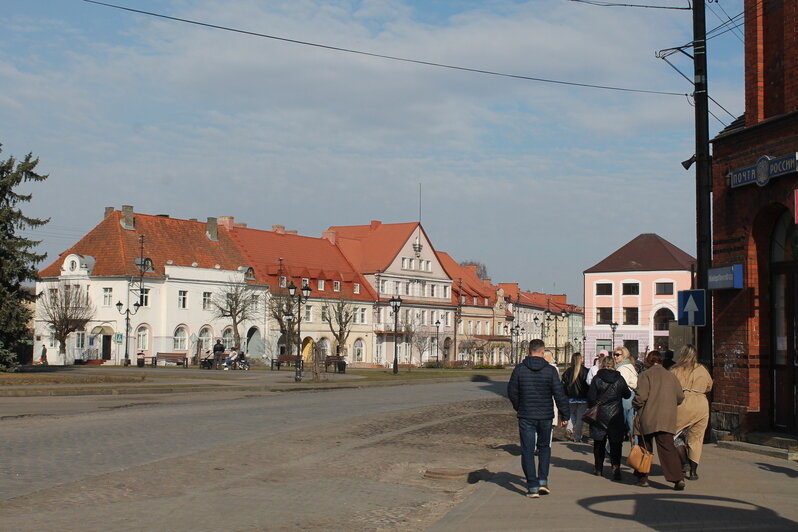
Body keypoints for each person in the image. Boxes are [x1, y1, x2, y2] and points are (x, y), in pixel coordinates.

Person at [507, 339, 570, 499]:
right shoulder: (550, 371)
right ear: (542, 352)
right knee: (544, 448)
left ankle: (532, 486)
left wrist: (519, 406)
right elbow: (559, 393)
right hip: (545, 415)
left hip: (526, 415)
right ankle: (543, 480)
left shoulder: (519, 370)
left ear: (529, 351)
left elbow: (512, 391)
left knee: (527, 450)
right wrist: (565, 414)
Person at [632, 350, 686, 490]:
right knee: (668, 447)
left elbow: (641, 397)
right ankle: (677, 478)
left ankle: (643, 478)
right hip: (667, 417)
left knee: (645, 447)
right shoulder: (671, 376)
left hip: (648, 416)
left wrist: (635, 405)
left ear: (648, 361)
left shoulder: (645, 375)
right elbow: (680, 396)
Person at [671, 344, 713, 480]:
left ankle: (684, 462)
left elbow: (670, 388)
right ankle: (694, 472)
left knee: (675, 435)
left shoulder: (675, 370)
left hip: (683, 403)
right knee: (696, 439)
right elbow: (709, 386)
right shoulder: (702, 370)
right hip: (701, 403)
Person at [587, 355, 631, 480]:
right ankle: (616, 468)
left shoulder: (597, 378)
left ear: (602, 364)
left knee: (599, 443)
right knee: (616, 443)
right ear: (614, 365)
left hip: (600, 415)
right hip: (615, 415)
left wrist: (595, 405)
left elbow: (590, 398)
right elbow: (627, 395)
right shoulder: (619, 379)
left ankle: (598, 468)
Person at [561, 352, 589, 443]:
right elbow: (588, 385)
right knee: (580, 418)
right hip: (583, 398)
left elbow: (563, 385)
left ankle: (569, 429)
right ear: (581, 359)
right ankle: (577, 437)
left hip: (571, 397)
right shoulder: (586, 371)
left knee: (571, 415)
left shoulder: (568, 371)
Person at [613, 347, 639, 442]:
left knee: (620, 423)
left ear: (624, 355)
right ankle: (636, 445)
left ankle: (611, 447)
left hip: (625, 397)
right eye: (614, 354)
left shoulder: (622, 368)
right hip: (631, 395)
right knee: (631, 423)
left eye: (617, 355)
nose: (615, 357)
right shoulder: (629, 366)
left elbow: (621, 384)